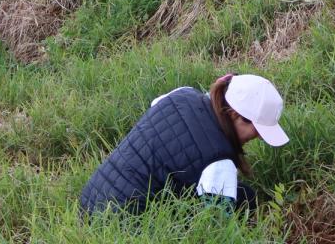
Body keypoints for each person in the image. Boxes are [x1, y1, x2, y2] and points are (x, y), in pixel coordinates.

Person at [79, 73, 288, 216]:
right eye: (258, 130)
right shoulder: (218, 162)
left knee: (241, 194)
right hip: (126, 224)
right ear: (234, 115)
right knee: (245, 201)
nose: (259, 137)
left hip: (90, 202)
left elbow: (156, 107)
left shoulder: (181, 94)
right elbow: (215, 223)